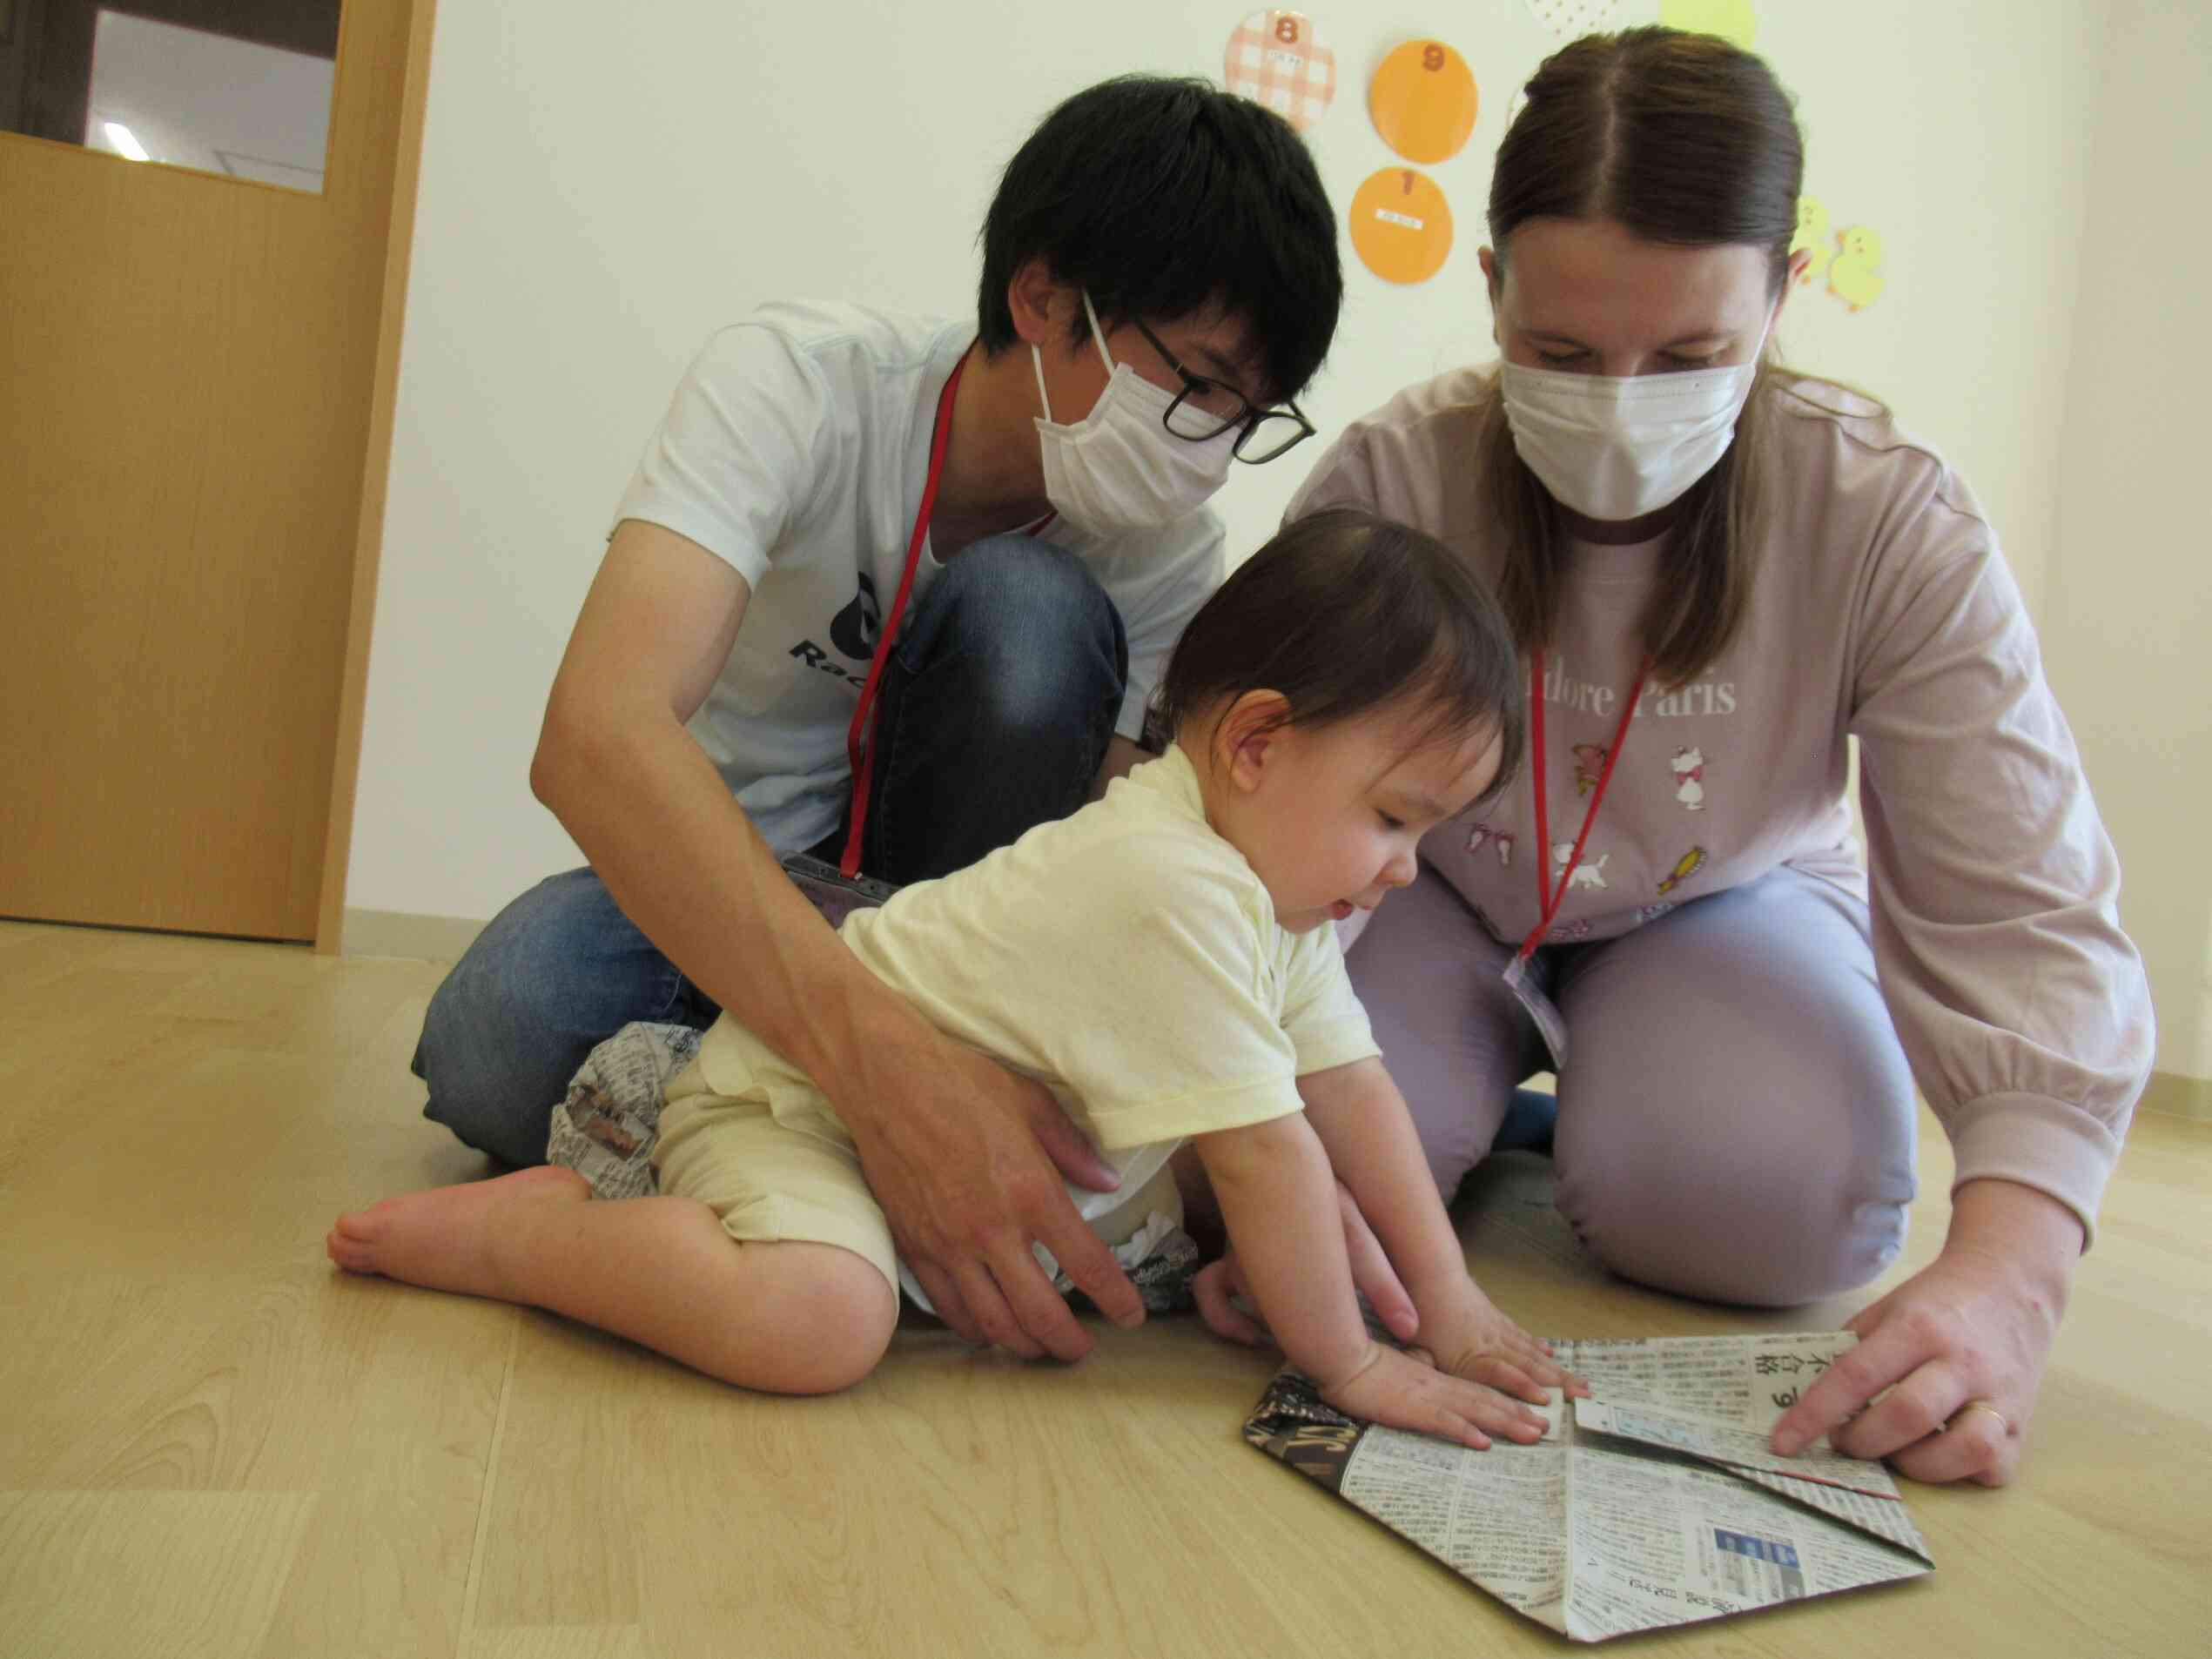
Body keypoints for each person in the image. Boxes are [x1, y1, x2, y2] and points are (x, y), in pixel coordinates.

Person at [1275, 28, 2153, 1486]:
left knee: (1779, 1203)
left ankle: (1580, 1090)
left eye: (1690, 357)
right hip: (1417, 890)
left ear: (1781, 297)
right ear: (1485, 285)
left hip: (1719, 899)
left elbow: (2018, 892)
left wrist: (2013, 1269)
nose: (1619, 403)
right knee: (1307, 1189)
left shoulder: (1885, 517)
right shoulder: (1393, 477)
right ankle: (1504, 1088)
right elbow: (1246, 818)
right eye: (1558, 354)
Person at [408, 76, 1344, 1362]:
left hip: (963, 953)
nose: (1207, 446)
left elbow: (1128, 886)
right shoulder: (795, 384)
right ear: (1040, 295)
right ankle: (822, 1144)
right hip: (730, 884)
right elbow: (598, 735)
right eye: (1194, 386)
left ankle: (750, 1160)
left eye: (1246, 415)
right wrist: (883, 1066)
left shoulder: (1169, 560)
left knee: (1027, 608)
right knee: (494, 1035)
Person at [334, 513, 1585, 1440]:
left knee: (1204, 1228)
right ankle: (532, 1241)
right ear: (1255, 742)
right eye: (1393, 818)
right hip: (800, 1108)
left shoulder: (1275, 900)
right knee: (819, 1320)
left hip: (921, 1148)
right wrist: (1357, 1370)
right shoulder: (1170, 878)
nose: (1405, 870)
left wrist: (1452, 1300)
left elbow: (1355, 1094)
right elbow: (1270, 1152)